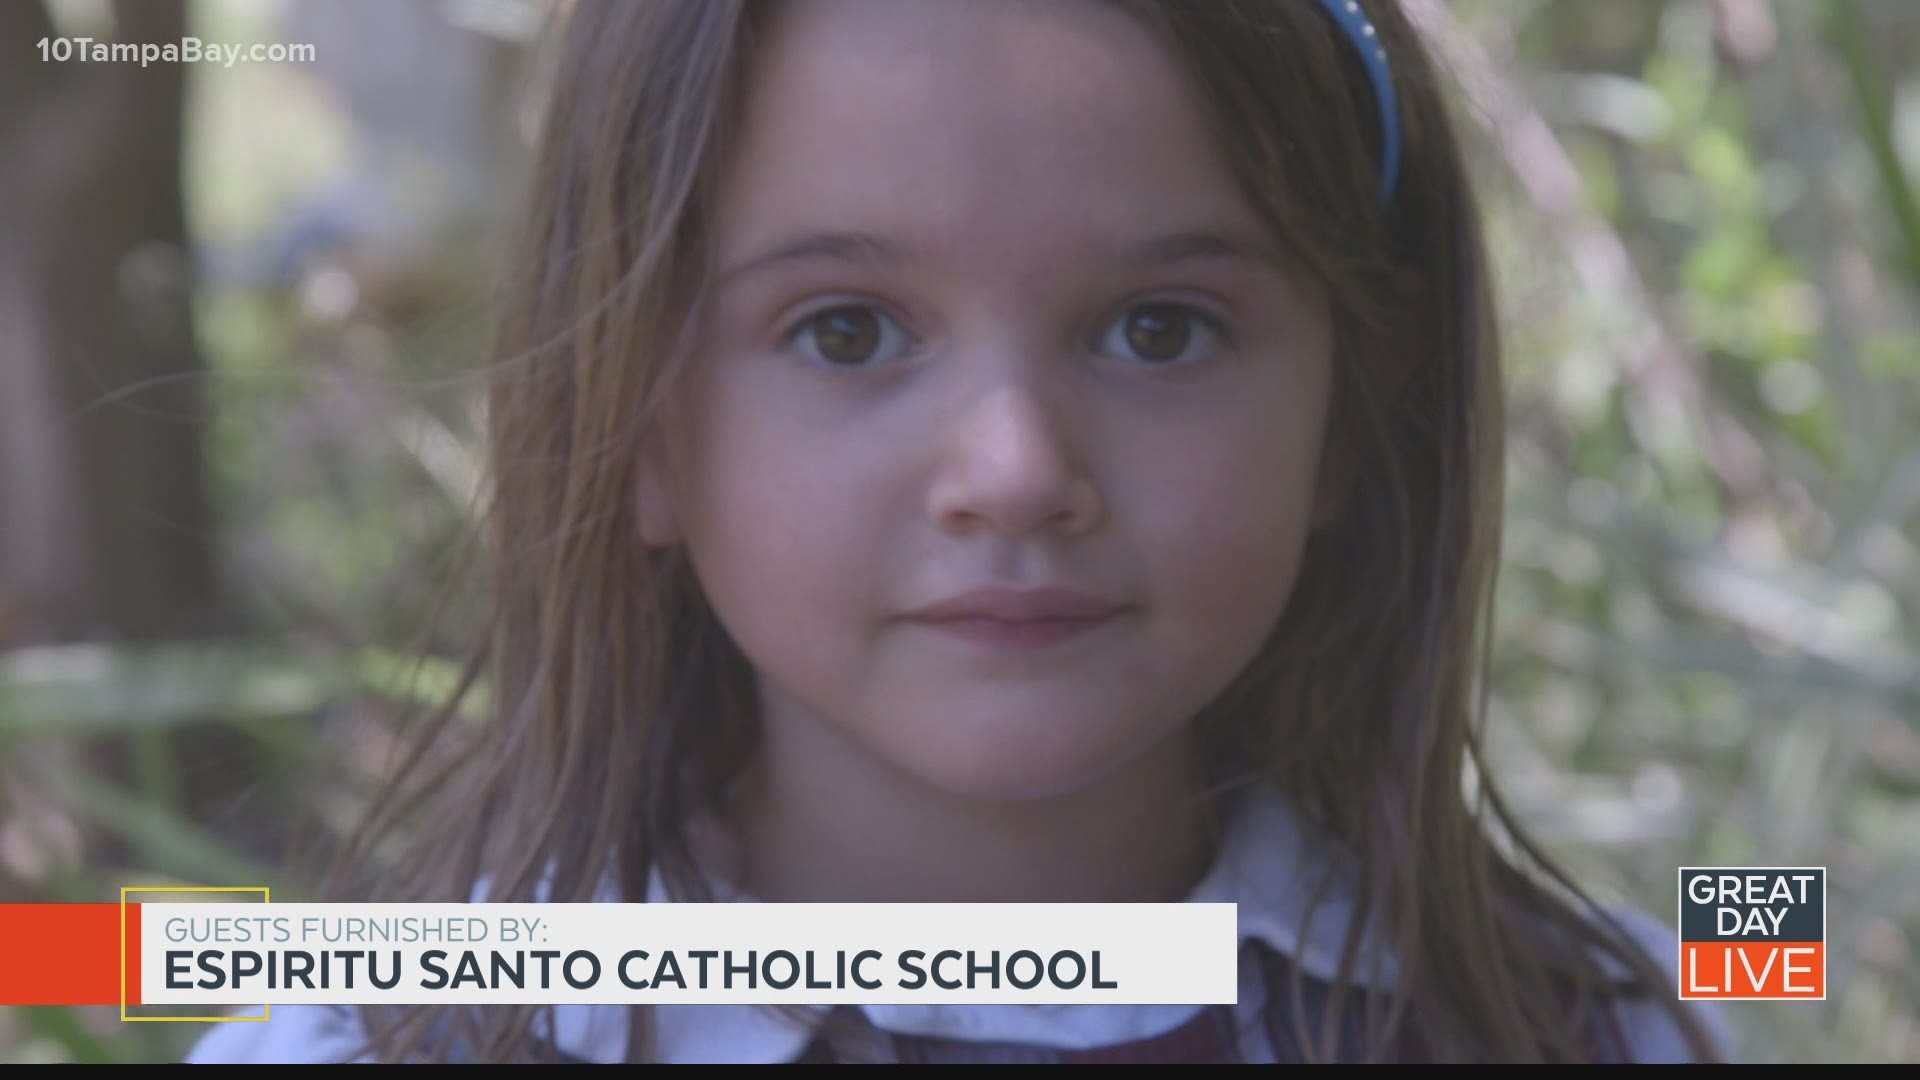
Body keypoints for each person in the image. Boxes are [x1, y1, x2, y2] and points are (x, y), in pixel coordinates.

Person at [188, 0, 1732, 1063]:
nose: (1014, 468)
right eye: (848, 332)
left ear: (1351, 418)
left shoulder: (1619, 1014)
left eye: (1160, 331)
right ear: (635, 427)